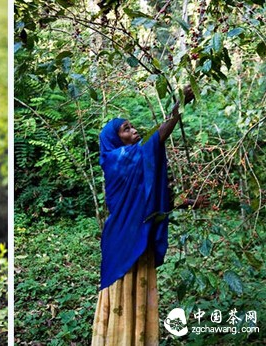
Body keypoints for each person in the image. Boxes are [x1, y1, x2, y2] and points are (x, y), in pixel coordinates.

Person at [92, 86, 194, 345]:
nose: (134, 130)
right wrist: (177, 106)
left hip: (141, 232)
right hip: (123, 237)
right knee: (122, 287)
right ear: (115, 139)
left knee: (139, 286)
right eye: (126, 129)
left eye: (132, 126)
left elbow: (149, 194)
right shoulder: (116, 158)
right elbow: (155, 141)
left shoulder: (131, 158)